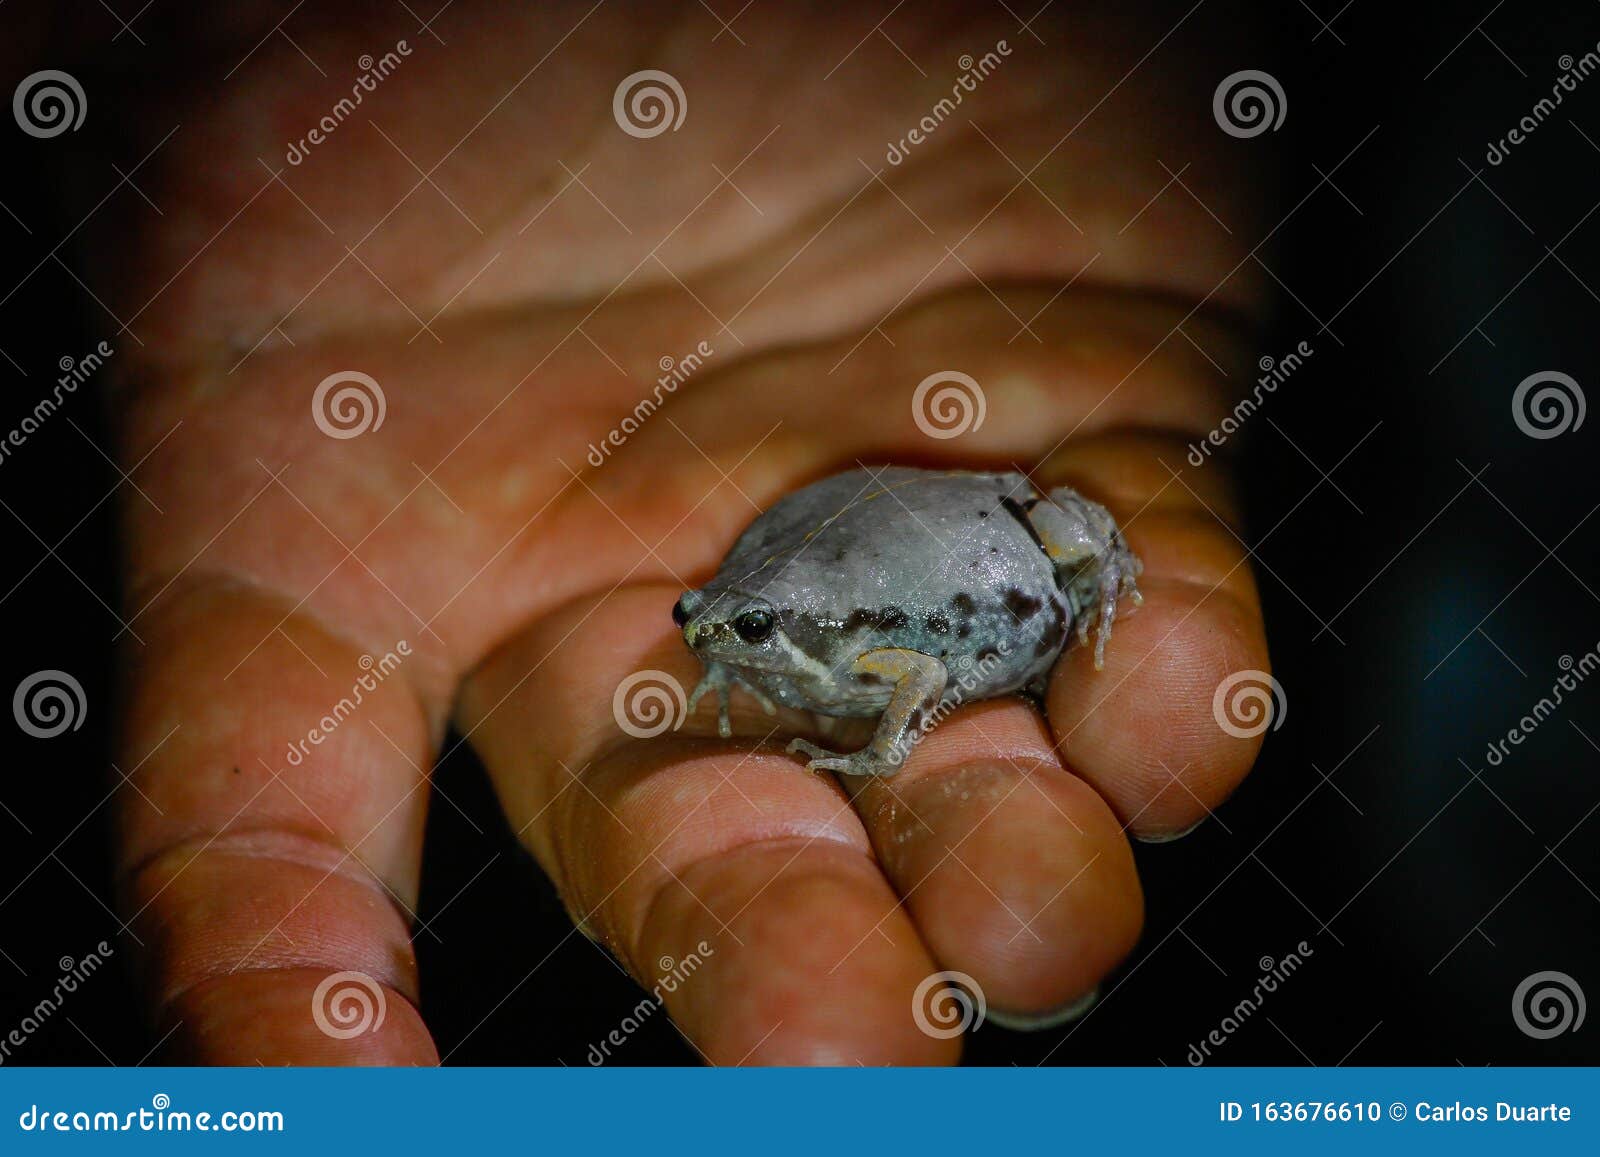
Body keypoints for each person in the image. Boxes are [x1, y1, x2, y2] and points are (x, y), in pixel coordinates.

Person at [96, 0, 1272, 1063]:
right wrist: (726, 640)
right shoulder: (757, 614)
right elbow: (741, 608)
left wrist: (874, 751)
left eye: (744, 628)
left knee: (1082, 612)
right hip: (908, 534)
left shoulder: (868, 643)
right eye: (707, 623)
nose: (715, 635)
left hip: (1005, 551)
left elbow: (911, 660)